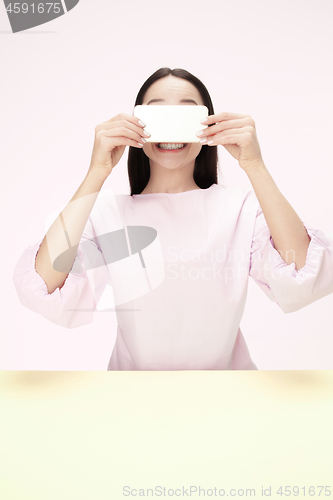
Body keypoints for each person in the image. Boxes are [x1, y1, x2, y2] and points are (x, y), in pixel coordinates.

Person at [13, 67, 333, 370]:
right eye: (157, 112)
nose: (171, 127)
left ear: (207, 124)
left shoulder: (242, 208)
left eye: (185, 111)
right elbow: (44, 284)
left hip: (229, 394)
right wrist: (97, 172)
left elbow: (306, 275)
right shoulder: (108, 214)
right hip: (132, 398)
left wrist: (254, 164)